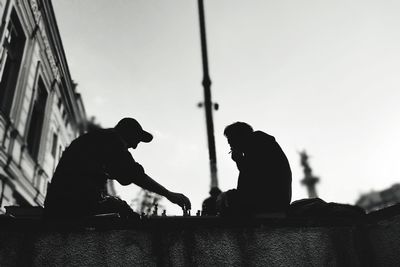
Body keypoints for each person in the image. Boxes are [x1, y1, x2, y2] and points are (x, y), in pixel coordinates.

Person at [44, 118, 191, 219]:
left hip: (59, 203)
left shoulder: (99, 140)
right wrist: (169, 194)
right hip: (70, 204)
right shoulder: (113, 140)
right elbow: (134, 175)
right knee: (128, 216)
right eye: (136, 140)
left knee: (120, 207)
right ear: (128, 133)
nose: (134, 146)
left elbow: (124, 176)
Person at [217, 122, 292, 216]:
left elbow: (252, 176)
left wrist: (239, 159)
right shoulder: (260, 143)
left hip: (270, 200)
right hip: (274, 199)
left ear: (239, 136)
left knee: (226, 199)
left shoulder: (259, 141)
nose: (229, 144)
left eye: (230, 139)